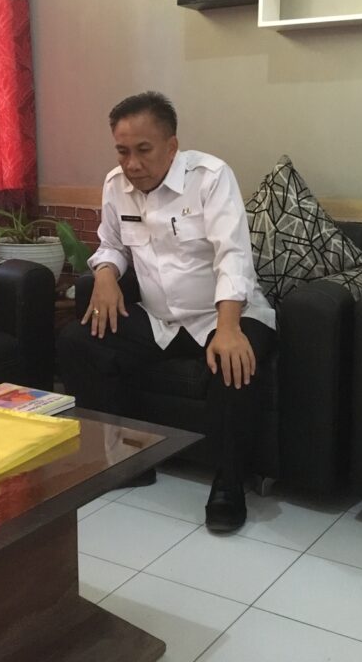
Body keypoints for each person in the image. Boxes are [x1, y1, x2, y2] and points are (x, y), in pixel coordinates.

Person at [57, 91, 276, 533]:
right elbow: (110, 245)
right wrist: (104, 276)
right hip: (159, 320)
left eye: (143, 150)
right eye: (122, 151)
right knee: (78, 341)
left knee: (235, 362)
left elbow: (232, 256)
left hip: (222, 314)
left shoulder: (211, 177)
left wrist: (228, 328)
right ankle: (125, 457)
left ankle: (229, 484)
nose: (132, 163)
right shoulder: (115, 185)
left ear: (171, 146)